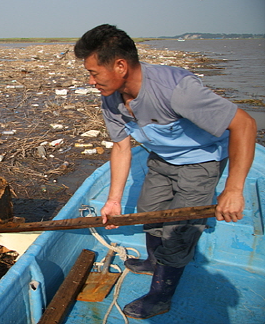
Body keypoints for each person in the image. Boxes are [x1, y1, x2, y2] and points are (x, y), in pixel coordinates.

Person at [74, 24, 257, 319]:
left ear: (120, 65)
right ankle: (152, 260)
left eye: (94, 73)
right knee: (149, 211)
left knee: (177, 231)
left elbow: (245, 125)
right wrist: (113, 200)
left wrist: (233, 190)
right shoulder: (112, 95)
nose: (91, 81)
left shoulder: (176, 89)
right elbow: (121, 147)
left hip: (202, 161)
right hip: (162, 156)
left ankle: (161, 296)